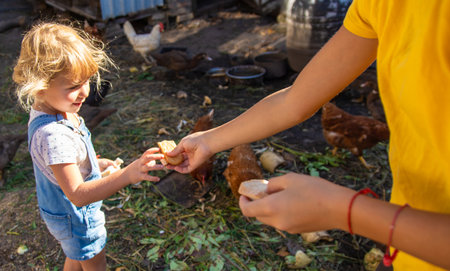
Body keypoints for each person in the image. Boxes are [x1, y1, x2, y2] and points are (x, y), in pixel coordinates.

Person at [167, 0, 450, 270]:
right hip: (404, 248)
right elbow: (295, 100)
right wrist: (207, 141)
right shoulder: (381, 5)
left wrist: (344, 211)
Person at [13, 22, 165, 270]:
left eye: (86, 80)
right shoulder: (54, 135)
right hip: (76, 218)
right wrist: (127, 174)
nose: (85, 91)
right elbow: (78, 195)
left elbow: (64, 162)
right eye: (73, 86)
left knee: (76, 254)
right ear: (39, 86)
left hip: (63, 215)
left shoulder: (52, 108)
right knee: (91, 257)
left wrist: (93, 164)